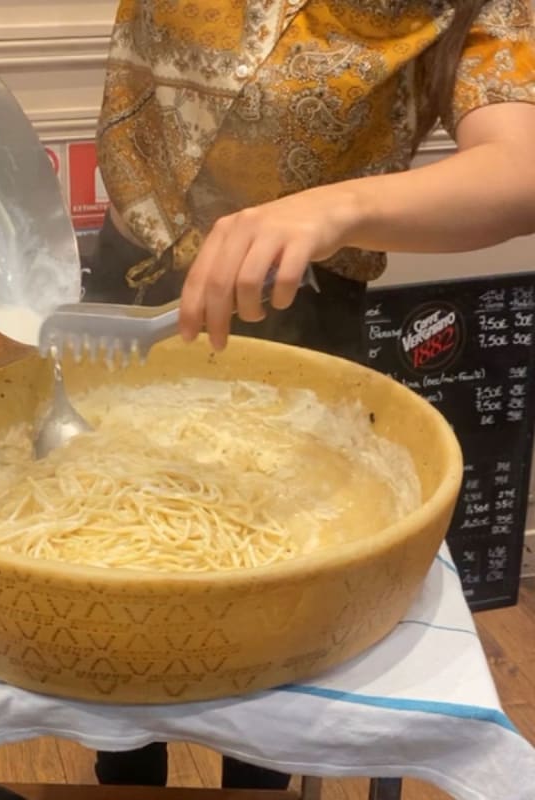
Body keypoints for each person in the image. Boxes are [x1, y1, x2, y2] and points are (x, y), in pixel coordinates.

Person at [81, 0, 535, 790]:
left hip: (298, 295)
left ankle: (259, 779)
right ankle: (123, 766)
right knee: (107, 564)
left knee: (272, 606)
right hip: (134, 270)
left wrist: (340, 207)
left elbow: (522, 163)